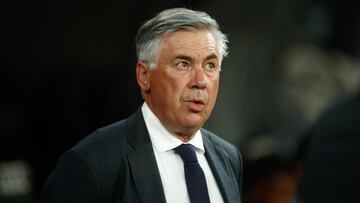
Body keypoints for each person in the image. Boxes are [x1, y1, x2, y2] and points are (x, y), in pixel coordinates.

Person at [40, 8, 243, 203]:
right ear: (144, 76)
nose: (200, 81)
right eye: (183, 64)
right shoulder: (91, 163)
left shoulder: (228, 158)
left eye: (210, 65)